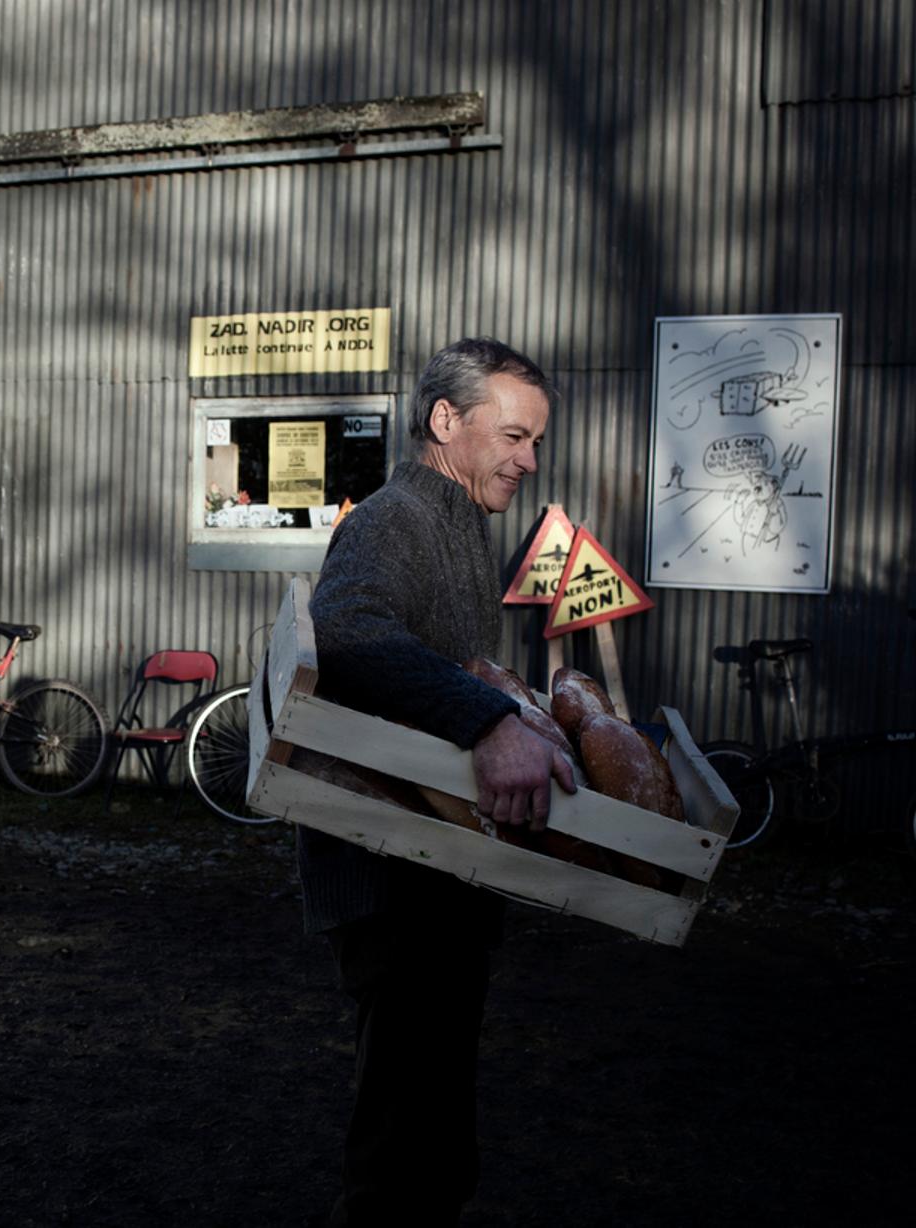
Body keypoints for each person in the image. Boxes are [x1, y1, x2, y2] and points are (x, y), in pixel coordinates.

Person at [300, 337, 575, 1227]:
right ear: (445, 420)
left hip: (442, 872)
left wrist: (501, 699)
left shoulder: (461, 524)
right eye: (514, 436)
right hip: (391, 877)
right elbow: (349, 628)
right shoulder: (395, 519)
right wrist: (488, 722)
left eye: (535, 441)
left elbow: (442, 662)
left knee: (437, 1132)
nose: (529, 460)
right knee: (399, 1149)